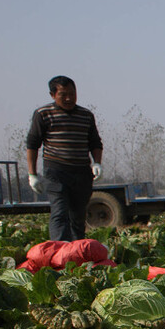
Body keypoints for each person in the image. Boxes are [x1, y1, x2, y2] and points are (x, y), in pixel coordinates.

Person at [25, 75, 103, 241]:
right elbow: (32, 145)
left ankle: (77, 251)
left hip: (82, 172)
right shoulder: (43, 114)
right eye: (63, 95)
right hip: (56, 171)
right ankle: (61, 252)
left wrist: (97, 163)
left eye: (72, 94)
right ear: (53, 95)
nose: (69, 98)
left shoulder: (86, 115)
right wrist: (32, 174)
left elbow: (95, 142)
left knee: (78, 215)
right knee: (60, 212)